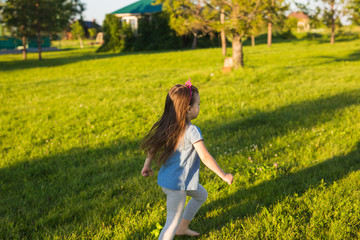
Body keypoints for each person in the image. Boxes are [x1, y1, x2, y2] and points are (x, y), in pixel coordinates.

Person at [140, 80, 233, 240]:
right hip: (177, 186)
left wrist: (146, 166)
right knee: (171, 223)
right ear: (189, 109)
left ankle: (183, 227)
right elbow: (204, 156)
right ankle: (176, 228)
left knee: (201, 195)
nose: (199, 107)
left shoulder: (168, 126)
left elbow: (152, 148)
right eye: (198, 103)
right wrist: (223, 175)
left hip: (172, 180)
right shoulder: (192, 131)